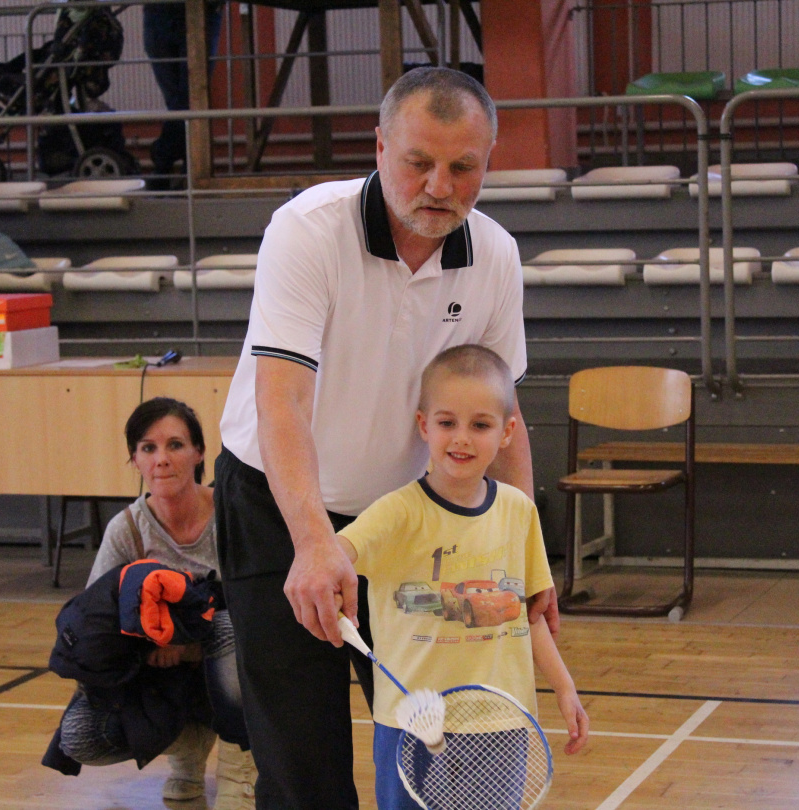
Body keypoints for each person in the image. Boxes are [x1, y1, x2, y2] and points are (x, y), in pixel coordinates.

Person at [214, 66, 558, 809]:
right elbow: (282, 401)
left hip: (411, 525)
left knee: (435, 746)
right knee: (301, 762)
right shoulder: (309, 229)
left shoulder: (495, 254)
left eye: (463, 167)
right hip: (278, 510)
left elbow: (504, 417)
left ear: (488, 162)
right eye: (418, 162)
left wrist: (520, 556)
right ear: (379, 147)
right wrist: (315, 543)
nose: (439, 186)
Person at [335, 345, 589, 809]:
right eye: (447, 422)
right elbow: (334, 558)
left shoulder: (519, 512)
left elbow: (524, 614)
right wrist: (327, 579)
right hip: (411, 722)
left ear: (507, 432)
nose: (462, 439)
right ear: (424, 426)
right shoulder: (396, 512)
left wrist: (564, 685)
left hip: (500, 722)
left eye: (480, 425)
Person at [49, 397, 256, 809]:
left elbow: (260, 609)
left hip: (235, 663)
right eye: (148, 448)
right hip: (159, 672)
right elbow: (91, 628)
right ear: (135, 460)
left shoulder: (232, 515)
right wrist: (151, 646)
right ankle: (187, 751)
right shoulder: (126, 529)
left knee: (231, 625)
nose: (162, 459)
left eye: (175, 445)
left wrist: (188, 642)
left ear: (199, 453)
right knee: (79, 736)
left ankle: (240, 776)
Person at [143, 0, 223, 184]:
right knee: (181, 100)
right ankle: (183, 165)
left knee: (187, 98)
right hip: (159, 11)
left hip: (200, 10)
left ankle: (165, 159)